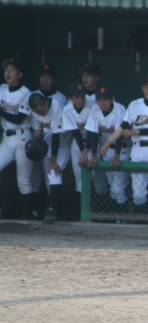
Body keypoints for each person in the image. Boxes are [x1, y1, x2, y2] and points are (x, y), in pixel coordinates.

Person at [101, 73, 148, 213]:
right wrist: (108, 142)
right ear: (142, 88)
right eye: (146, 87)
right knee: (138, 194)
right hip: (137, 150)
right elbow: (123, 126)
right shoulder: (134, 104)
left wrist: (136, 131)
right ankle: (141, 223)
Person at [84, 86, 130, 214]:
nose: (102, 103)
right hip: (107, 151)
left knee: (117, 189)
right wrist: (93, 155)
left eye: (105, 99)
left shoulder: (120, 109)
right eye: (99, 99)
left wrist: (117, 156)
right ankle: (118, 218)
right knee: (113, 189)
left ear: (112, 100)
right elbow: (93, 133)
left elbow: (120, 134)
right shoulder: (95, 110)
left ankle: (123, 219)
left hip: (122, 151)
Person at [0, 58, 35, 219]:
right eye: (6, 69)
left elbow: (18, 119)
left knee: (23, 180)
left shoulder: (26, 93)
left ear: (20, 74)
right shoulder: (1, 89)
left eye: (12, 70)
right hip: (7, 139)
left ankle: (27, 216)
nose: (8, 72)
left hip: (22, 138)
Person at [26, 93, 68, 223]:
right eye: (36, 112)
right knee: (50, 181)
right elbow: (37, 128)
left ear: (46, 103)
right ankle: (56, 213)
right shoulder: (35, 112)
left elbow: (56, 136)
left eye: (41, 110)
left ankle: (53, 211)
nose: (39, 113)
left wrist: (53, 161)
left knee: (53, 172)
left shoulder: (56, 106)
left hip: (63, 145)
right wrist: (37, 134)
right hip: (48, 145)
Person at [57, 82, 91, 207]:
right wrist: (82, 152)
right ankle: (80, 213)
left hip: (92, 144)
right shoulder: (67, 109)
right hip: (77, 144)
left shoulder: (92, 106)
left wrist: (85, 152)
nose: (81, 99)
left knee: (91, 180)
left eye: (82, 96)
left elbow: (92, 132)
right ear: (70, 98)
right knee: (79, 182)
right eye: (77, 97)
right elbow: (75, 132)